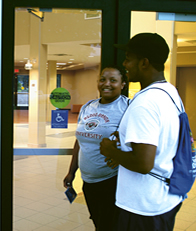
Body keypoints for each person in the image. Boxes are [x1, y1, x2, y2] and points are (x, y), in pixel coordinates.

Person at [100, 33, 184, 231]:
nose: (125, 64)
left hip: (142, 207)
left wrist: (110, 150)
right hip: (164, 199)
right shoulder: (170, 93)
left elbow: (144, 163)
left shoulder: (145, 103)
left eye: (129, 59)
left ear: (144, 63)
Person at [63, 66, 129, 231]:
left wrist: (121, 156)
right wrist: (72, 172)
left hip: (112, 181)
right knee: (99, 223)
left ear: (123, 84)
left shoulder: (128, 107)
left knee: (110, 225)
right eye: (102, 79)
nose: (106, 84)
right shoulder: (88, 107)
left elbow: (138, 142)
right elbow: (80, 141)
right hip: (89, 182)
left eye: (113, 80)